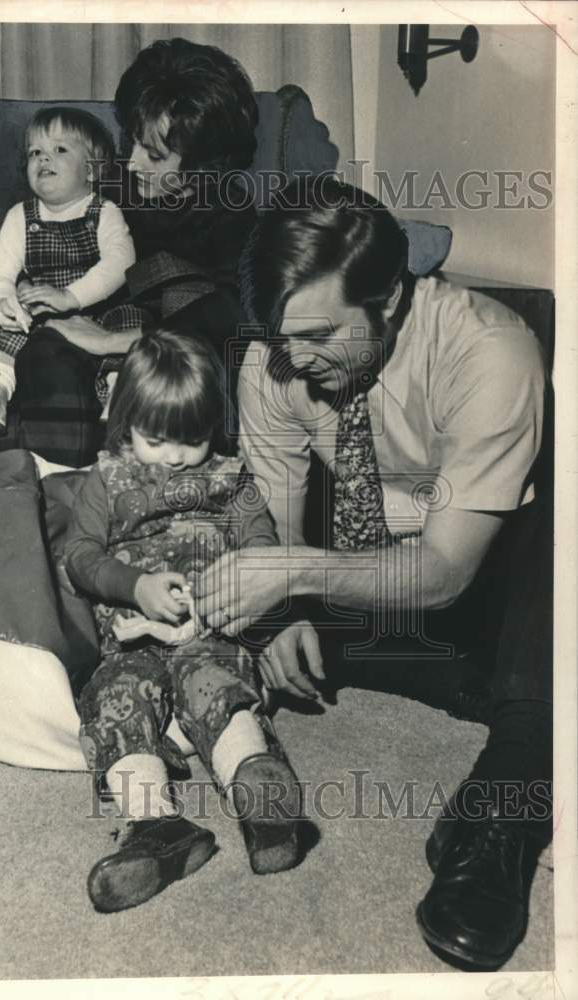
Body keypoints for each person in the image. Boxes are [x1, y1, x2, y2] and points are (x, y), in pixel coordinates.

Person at [195, 177, 553, 970]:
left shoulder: (491, 350)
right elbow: (276, 516)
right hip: (363, 563)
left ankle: (502, 811)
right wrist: (277, 614)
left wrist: (289, 571)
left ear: (388, 299)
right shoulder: (275, 357)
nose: (293, 358)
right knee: (234, 631)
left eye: (320, 335)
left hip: (487, 573)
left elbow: (448, 569)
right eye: (282, 335)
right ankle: (504, 700)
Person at [61, 329, 302, 913]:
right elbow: (80, 556)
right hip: (133, 640)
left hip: (210, 631)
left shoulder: (231, 477)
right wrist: (135, 587)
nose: (174, 456)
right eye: (155, 440)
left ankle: (258, 792)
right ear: (126, 425)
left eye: (191, 441)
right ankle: (156, 828)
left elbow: (260, 545)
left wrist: (237, 588)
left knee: (216, 684)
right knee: (117, 702)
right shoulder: (109, 478)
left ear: (213, 429)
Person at [2, 37, 260, 466]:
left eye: (155, 155)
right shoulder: (108, 186)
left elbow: (238, 310)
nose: (133, 162)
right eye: (132, 142)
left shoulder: (230, 214)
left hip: (166, 365)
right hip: (79, 335)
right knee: (17, 356)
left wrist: (117, 341)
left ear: (201, 165)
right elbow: (32, 240)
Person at [0, 105, 138, 436]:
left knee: (128, 335)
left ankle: (120, 399)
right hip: (41, 313)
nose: (43, 159)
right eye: (35, 152)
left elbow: (121, 263)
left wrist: (71, 297)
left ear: (92, 170)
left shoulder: (105, 211)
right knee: (11, 326)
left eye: (59, 150)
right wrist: (3, 300)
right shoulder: (20, 215)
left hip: (102, 311)